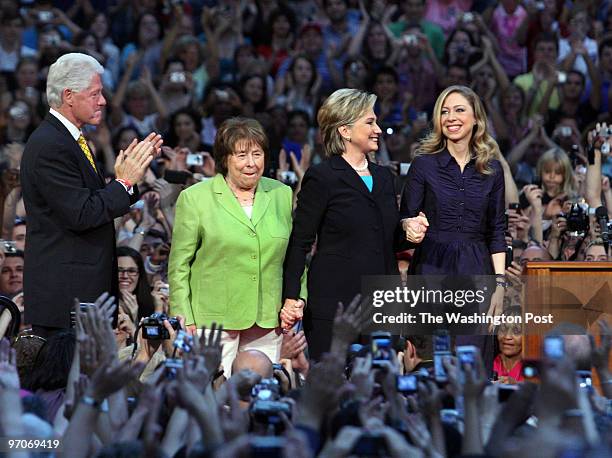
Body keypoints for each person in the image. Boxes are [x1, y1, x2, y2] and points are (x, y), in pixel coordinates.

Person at [20, 53, 162, 337]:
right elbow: (82, 213)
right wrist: (122, 182)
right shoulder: (51, 145)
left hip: (79, 296)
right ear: (69, 96)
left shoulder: (69, 140)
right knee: (68, 381)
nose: (103, 101)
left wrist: (126, 184)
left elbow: (92, 202)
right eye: (95, 93)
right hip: (65, 298)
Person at [169, 117, 297, 376]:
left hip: (267, 320)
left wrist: (296, 299)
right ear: (225, 159)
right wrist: (184, 317)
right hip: (212, 322)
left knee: (261, 396)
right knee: (215, 397)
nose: (251, 163)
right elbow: (179, 265)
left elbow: (293, 257)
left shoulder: (281, 194)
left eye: (257, 154)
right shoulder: (195, 199)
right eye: (241, 155)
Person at [282, 88, 400, 360]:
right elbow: (300, 242)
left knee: (380, 386)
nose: (378, 130)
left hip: (382, 303)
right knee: (332, 386)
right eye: (370, 122)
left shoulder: (384, 177)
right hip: (334, 304)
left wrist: (409, 231)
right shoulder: (322, 177)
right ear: (345, 131)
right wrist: (291, 297)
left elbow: (388, 240)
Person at [400, 85, 506, 366]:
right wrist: (409, 226)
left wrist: (500, 284)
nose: (451, 117)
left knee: (472, 365)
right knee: (431, 364)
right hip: (431, 268)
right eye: (444, 111)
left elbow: (496, 230)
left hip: (476, 269)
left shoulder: (492, 170)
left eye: (459, 110)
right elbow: (405, 218)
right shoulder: (423, 165)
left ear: (476, 119)